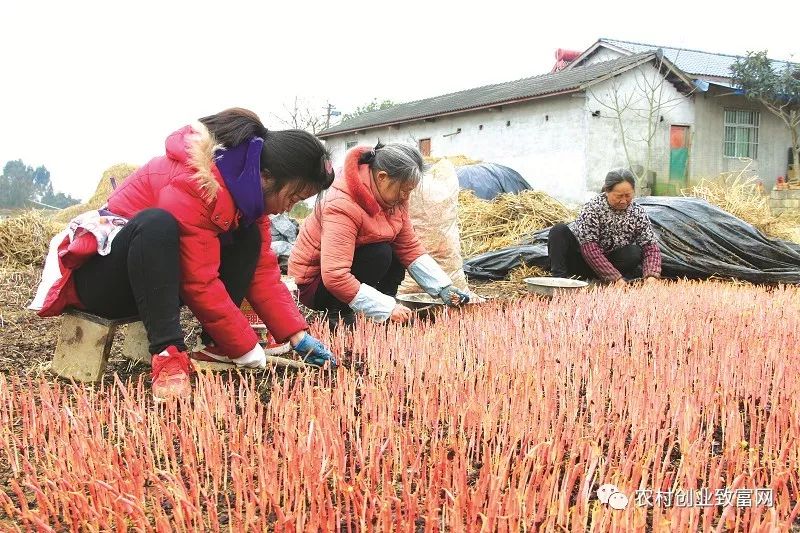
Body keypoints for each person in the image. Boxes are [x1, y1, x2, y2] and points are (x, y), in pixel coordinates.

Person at [30, 108, 337, 400]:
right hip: (102, 284)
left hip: (152, 283)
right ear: (266, 176)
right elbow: (198, 279)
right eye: (293, 196)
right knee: (156, 224)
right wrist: (244, 346)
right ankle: (168, 355)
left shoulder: (249, 201)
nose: (290, 208)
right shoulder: (196, 182)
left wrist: (297, 336)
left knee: (248, 239)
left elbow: (261, 271)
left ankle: (215, 345)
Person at [288, 142, 470, 327]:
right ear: (382, 177)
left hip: (343, 277)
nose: (406, 197)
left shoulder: (394, 202)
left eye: (409, 191)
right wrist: (386, 308)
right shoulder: (341, 204)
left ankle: (382, 307)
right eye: (403, 189)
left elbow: (409, 247)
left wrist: (443, 288)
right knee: (379, 253)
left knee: (394, 251)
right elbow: (335, 276)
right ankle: (338, 314)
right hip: (315, 287)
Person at [547, 168, 662, 285]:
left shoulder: (638, 212)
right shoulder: (593, 209)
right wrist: (614, 278)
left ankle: (602, 280)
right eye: (618, 196)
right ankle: (560, 280)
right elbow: (590, 249)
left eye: (628, 195)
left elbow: (650, 246)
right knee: (558, 230)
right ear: (607, 191)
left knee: (634, 252)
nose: (623, 201)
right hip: (581, 261)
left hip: (612, 262)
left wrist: (651, 275)